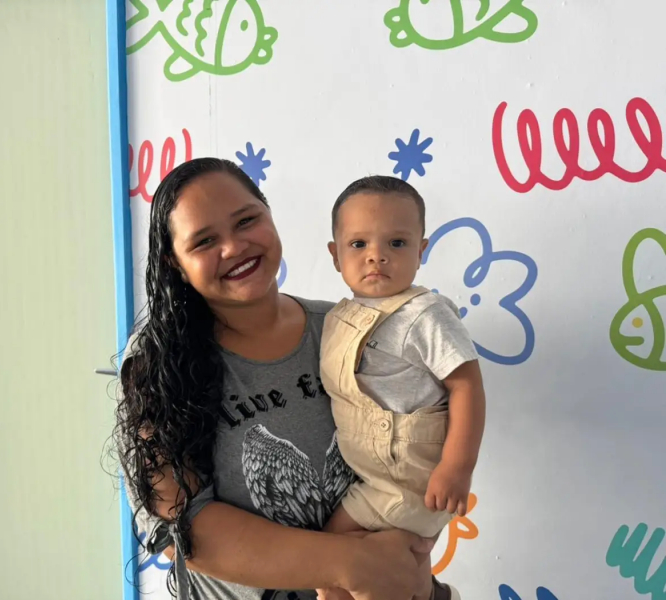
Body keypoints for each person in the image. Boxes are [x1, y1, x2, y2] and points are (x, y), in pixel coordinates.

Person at [114, 158, 459, 600]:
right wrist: (352, 565)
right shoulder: (154, 366)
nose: (234, 247)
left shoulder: (349, 328)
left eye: (246, 220)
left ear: (270, 215)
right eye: (204, 241)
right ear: (174, 263)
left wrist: (402, 546)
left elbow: (415, 445)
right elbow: (190, 530)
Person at [319, 176, 486, 600]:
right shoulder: (338, 315)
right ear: (335, 255)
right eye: (359, 245)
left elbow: (466, 385)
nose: (376, 256)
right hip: (374, 473)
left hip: (410, 480)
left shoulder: (425, 314)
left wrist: (457, 467)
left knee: (332, 558)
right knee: (377, 572)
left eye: (396, 243)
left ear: (421, 250)